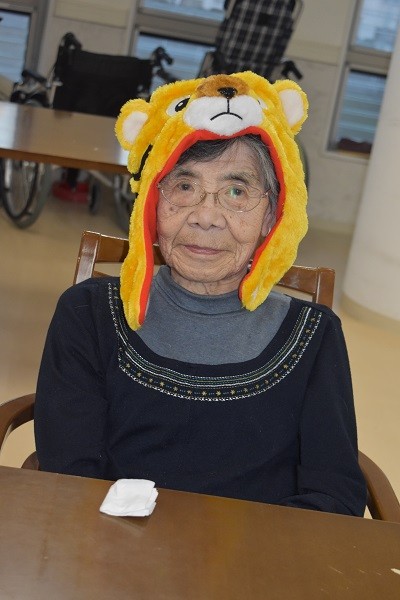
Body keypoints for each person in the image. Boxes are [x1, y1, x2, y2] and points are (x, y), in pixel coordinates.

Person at [34, 72, 367, 516]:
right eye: (185, 186)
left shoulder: (315, 337)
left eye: (236, 191)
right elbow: (69, 478)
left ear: (272, 215)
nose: (205, 217)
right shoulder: (87, 314)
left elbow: (334, 495)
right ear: (153, 202)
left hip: (258, 557)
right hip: (114, 550)